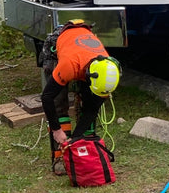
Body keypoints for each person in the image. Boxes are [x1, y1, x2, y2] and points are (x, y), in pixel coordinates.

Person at [41, 20, 121, 151]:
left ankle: (83, 141)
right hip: (61, 39)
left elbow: (92, 109)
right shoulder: (69, 65)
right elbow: (47, 97)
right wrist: (56, 129)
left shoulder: (108, 75)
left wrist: (76, 137)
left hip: (83, 48)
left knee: (89, 101)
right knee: (58, 102)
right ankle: (59, 154)